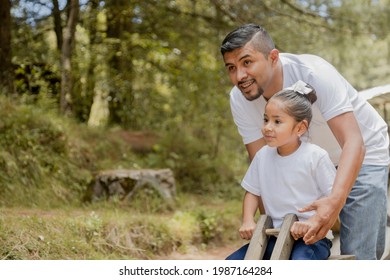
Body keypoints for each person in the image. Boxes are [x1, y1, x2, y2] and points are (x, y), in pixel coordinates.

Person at [221, 23, 389, 260]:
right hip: (308, 163)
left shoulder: (314, 72)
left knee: (359, 255)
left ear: (273, 57)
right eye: (231, 67)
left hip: (362, 152)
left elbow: (353, 141)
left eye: (247, 62)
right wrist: (275, 237)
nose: (239, 76)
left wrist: (332, 204)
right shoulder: (239, 99)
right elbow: (263, 165)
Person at [226, 81, 335, 260]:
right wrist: (247, 220)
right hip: (273, 237)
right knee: (232, 263)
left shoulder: (316, 156)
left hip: (311, 238)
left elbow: (333, 198)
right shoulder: (262, 156)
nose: (268, 127)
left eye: (277, 121)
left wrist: (311, 223)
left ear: (300, 128)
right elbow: (252, 192)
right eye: (266, 119)